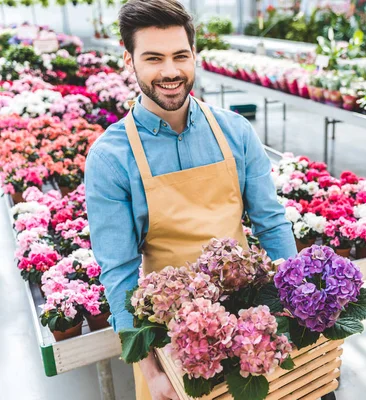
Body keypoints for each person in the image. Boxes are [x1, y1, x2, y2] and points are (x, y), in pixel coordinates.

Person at [84, 1, 297, 399]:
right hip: (170, 343)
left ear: (194, 56)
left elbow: (271, 224)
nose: (170, 71)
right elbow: (119, 272)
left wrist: (295, 314)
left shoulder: (235, 131)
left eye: (180, 56)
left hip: (250, 327)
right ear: (128, 61)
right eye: (153, 58)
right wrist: (151, 369)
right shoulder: (110, 158)